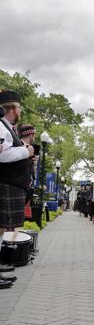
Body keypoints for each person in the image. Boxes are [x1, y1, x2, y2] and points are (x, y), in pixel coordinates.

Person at [0, 91, 35, 289]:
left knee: (5, 229)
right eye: (19, 107)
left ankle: (3, 266)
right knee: (2, 228)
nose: (21, 111)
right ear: (12, 109)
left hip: (12, 185)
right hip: (7, 184)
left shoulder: (6, 127)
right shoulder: (1, 126)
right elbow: (3, 156)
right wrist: (25, 151)